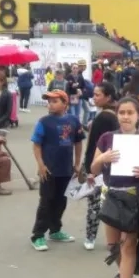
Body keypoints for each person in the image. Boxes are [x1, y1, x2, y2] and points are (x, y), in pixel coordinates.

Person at [90, 97, 139, 278]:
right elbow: (93, 168)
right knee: (112, 246)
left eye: (130, 112)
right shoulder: (107, 138)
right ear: (117, 115)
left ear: (138, 115)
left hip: (134, 198)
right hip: (111, 196)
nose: (126, 116)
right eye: (122, 112)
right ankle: (121, 272)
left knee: (128, 247)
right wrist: (103, 158)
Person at [30, 90, 85, 251]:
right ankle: (38, 235)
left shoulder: (74, 121)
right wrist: (41, 165)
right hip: (49, 170)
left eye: (55, 101)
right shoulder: (44, 122)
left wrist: (77, 164)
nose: (51, 104)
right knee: (46, 201)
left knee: (61, 201)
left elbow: (78, 143)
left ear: (65, 103)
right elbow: (36, 145)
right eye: (49, 101)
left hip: (66, 170)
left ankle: (55, 230)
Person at [83, 82, 120, 250]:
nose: (94, 98)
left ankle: (90, 237)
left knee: (95, 204)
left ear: (108, 97)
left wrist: (89, 169)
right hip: (113, 165)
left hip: (100, 165)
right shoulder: (115, 114)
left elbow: (93, 145)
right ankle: (115, 238)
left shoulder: (104, 117)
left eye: (97, 95)